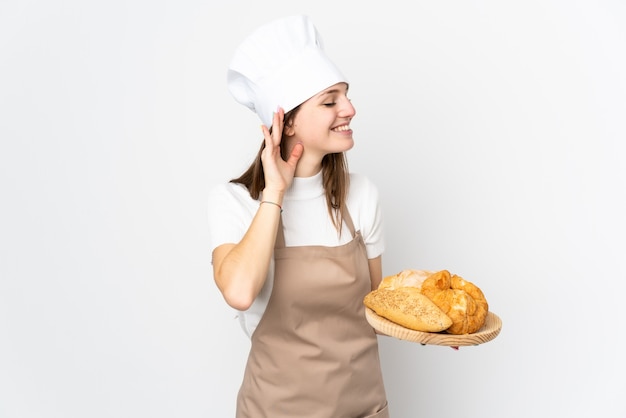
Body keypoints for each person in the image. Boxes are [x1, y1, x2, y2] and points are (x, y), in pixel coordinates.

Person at [208, 15, 389, 418]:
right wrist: (274, 193)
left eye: (345, 95)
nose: (350, 109)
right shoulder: (234, 201)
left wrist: (435, 324)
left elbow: (379, 310)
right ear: (285, 120)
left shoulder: (361, 196)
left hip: (363, 410)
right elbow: (238, 292)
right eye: (330, 101)